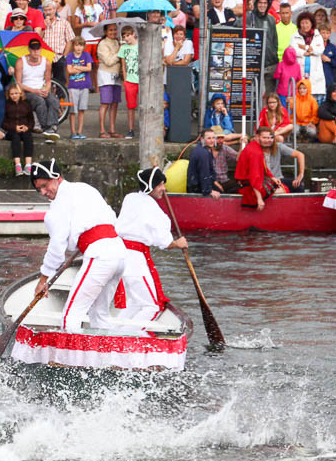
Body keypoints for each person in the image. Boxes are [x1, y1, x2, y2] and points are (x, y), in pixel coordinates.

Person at [32, 161, 128, 332]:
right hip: (119, 253)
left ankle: (67, 358)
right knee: (99, 314)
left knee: (70, 315)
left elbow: (56, 248)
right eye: (39, 189)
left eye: (45, 186)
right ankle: (106, 356)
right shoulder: (85, 188)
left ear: (57, 178)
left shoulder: (58, 206)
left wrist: (43, 281)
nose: (43, 192)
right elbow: (111, 221)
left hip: (100, 256)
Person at [115, 167, 187, 323]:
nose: (164, 189)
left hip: (119, 255)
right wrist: (178, 243)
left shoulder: (130, 198)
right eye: (160, 185)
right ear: (150, 186)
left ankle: (116, 332)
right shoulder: (152, 208)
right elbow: (165, 242)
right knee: (152, 306)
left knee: (135, 303)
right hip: (134, 259)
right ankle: (128, 338)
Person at [16, 37, 60, 140]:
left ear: (40, 49)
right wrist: (34, 91)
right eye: (33, 49)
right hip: (27, 91)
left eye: (37, 49)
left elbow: (48, 81)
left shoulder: (46, 62)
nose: (35, 51)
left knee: (53, 100)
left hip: (41, 89)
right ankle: (47, 128)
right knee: (39, 101)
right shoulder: (21, 61)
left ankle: (52, 127)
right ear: (29, 49)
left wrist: (46, 90)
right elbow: (19, 83)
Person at [235, 126, 286, 210]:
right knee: (283, 190)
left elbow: (263, 166)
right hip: (247, 186)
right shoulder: (255, 152)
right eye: (264, 138)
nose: (268, 140)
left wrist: (272, 177)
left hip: (247, 181)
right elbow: (254, 177)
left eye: (270, 138)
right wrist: (259, 199)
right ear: (257, 137)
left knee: (280, 185)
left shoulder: (254, 146)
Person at [96, 23, 122, 137]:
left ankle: (112, 129)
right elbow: (109, 61)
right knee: (105, 103)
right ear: (106, 32)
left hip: (116, 75)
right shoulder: (102, 44)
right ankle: (102, 130)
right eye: (110, 30)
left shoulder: (117, 42)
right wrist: (119, 52)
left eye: (115, 30)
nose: (113, 32)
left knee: (115, 103)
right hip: (105, 75)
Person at [3, 82, 35, 175]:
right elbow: (3, 123)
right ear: (9, 95)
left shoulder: (26, 104)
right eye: (12, 94)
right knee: (15, 138)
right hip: (11, 130)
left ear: (20, 93)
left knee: (28, 137)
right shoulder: (7, 105)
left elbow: (31, 121)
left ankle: (28, 165)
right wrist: (14, 128)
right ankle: (18, 165)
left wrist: (27, 127)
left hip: (24, 129)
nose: (14, 96)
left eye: (16, 93)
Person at [117, 26, 140, 140]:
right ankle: (131, 129)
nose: (126, 38)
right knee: (131, 106)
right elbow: (123, 65)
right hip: (130, 80)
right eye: (124, 36)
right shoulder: (123, 48)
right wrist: (125, 80)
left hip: (141, 79)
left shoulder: (140, 46)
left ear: (133, 34)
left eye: (128, 35)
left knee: (145, 105)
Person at [186, 127, 221, 197]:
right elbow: (204, 173)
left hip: (199, 185)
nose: (212, 140)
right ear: (202, 139)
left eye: (213, 138)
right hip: (196, 188)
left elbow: (210, 172)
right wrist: (208, 191)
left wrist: (215, 181)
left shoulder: (206, 149)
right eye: (209, 138)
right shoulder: (202, 153)